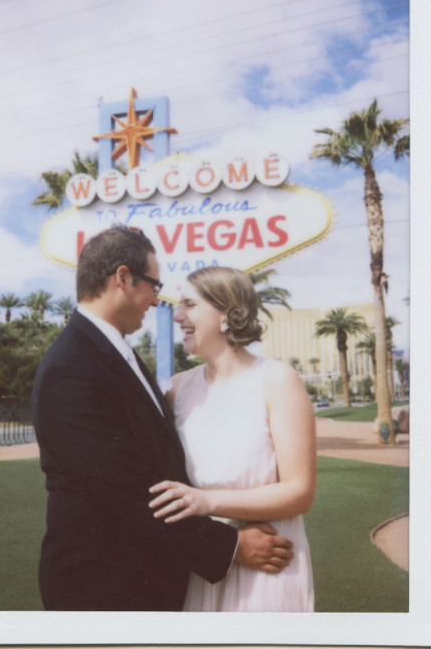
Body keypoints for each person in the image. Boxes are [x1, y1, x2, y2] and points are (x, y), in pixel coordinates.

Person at [31, 225, 295, 611]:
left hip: (149, 579)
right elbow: (122, 491)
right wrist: (232, 546)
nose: (158, 302)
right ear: (123, 278)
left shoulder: (112, 352)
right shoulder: (72, 366)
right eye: (154, 286)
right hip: (104, 589)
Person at [148, 266, 316, 611]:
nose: (177, 316)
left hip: (269, 562)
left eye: (189, 305)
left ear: (226, 314)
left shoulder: (276, 379)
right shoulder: (177, 389)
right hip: (206, 565)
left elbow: (300, 492)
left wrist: (207, 502)